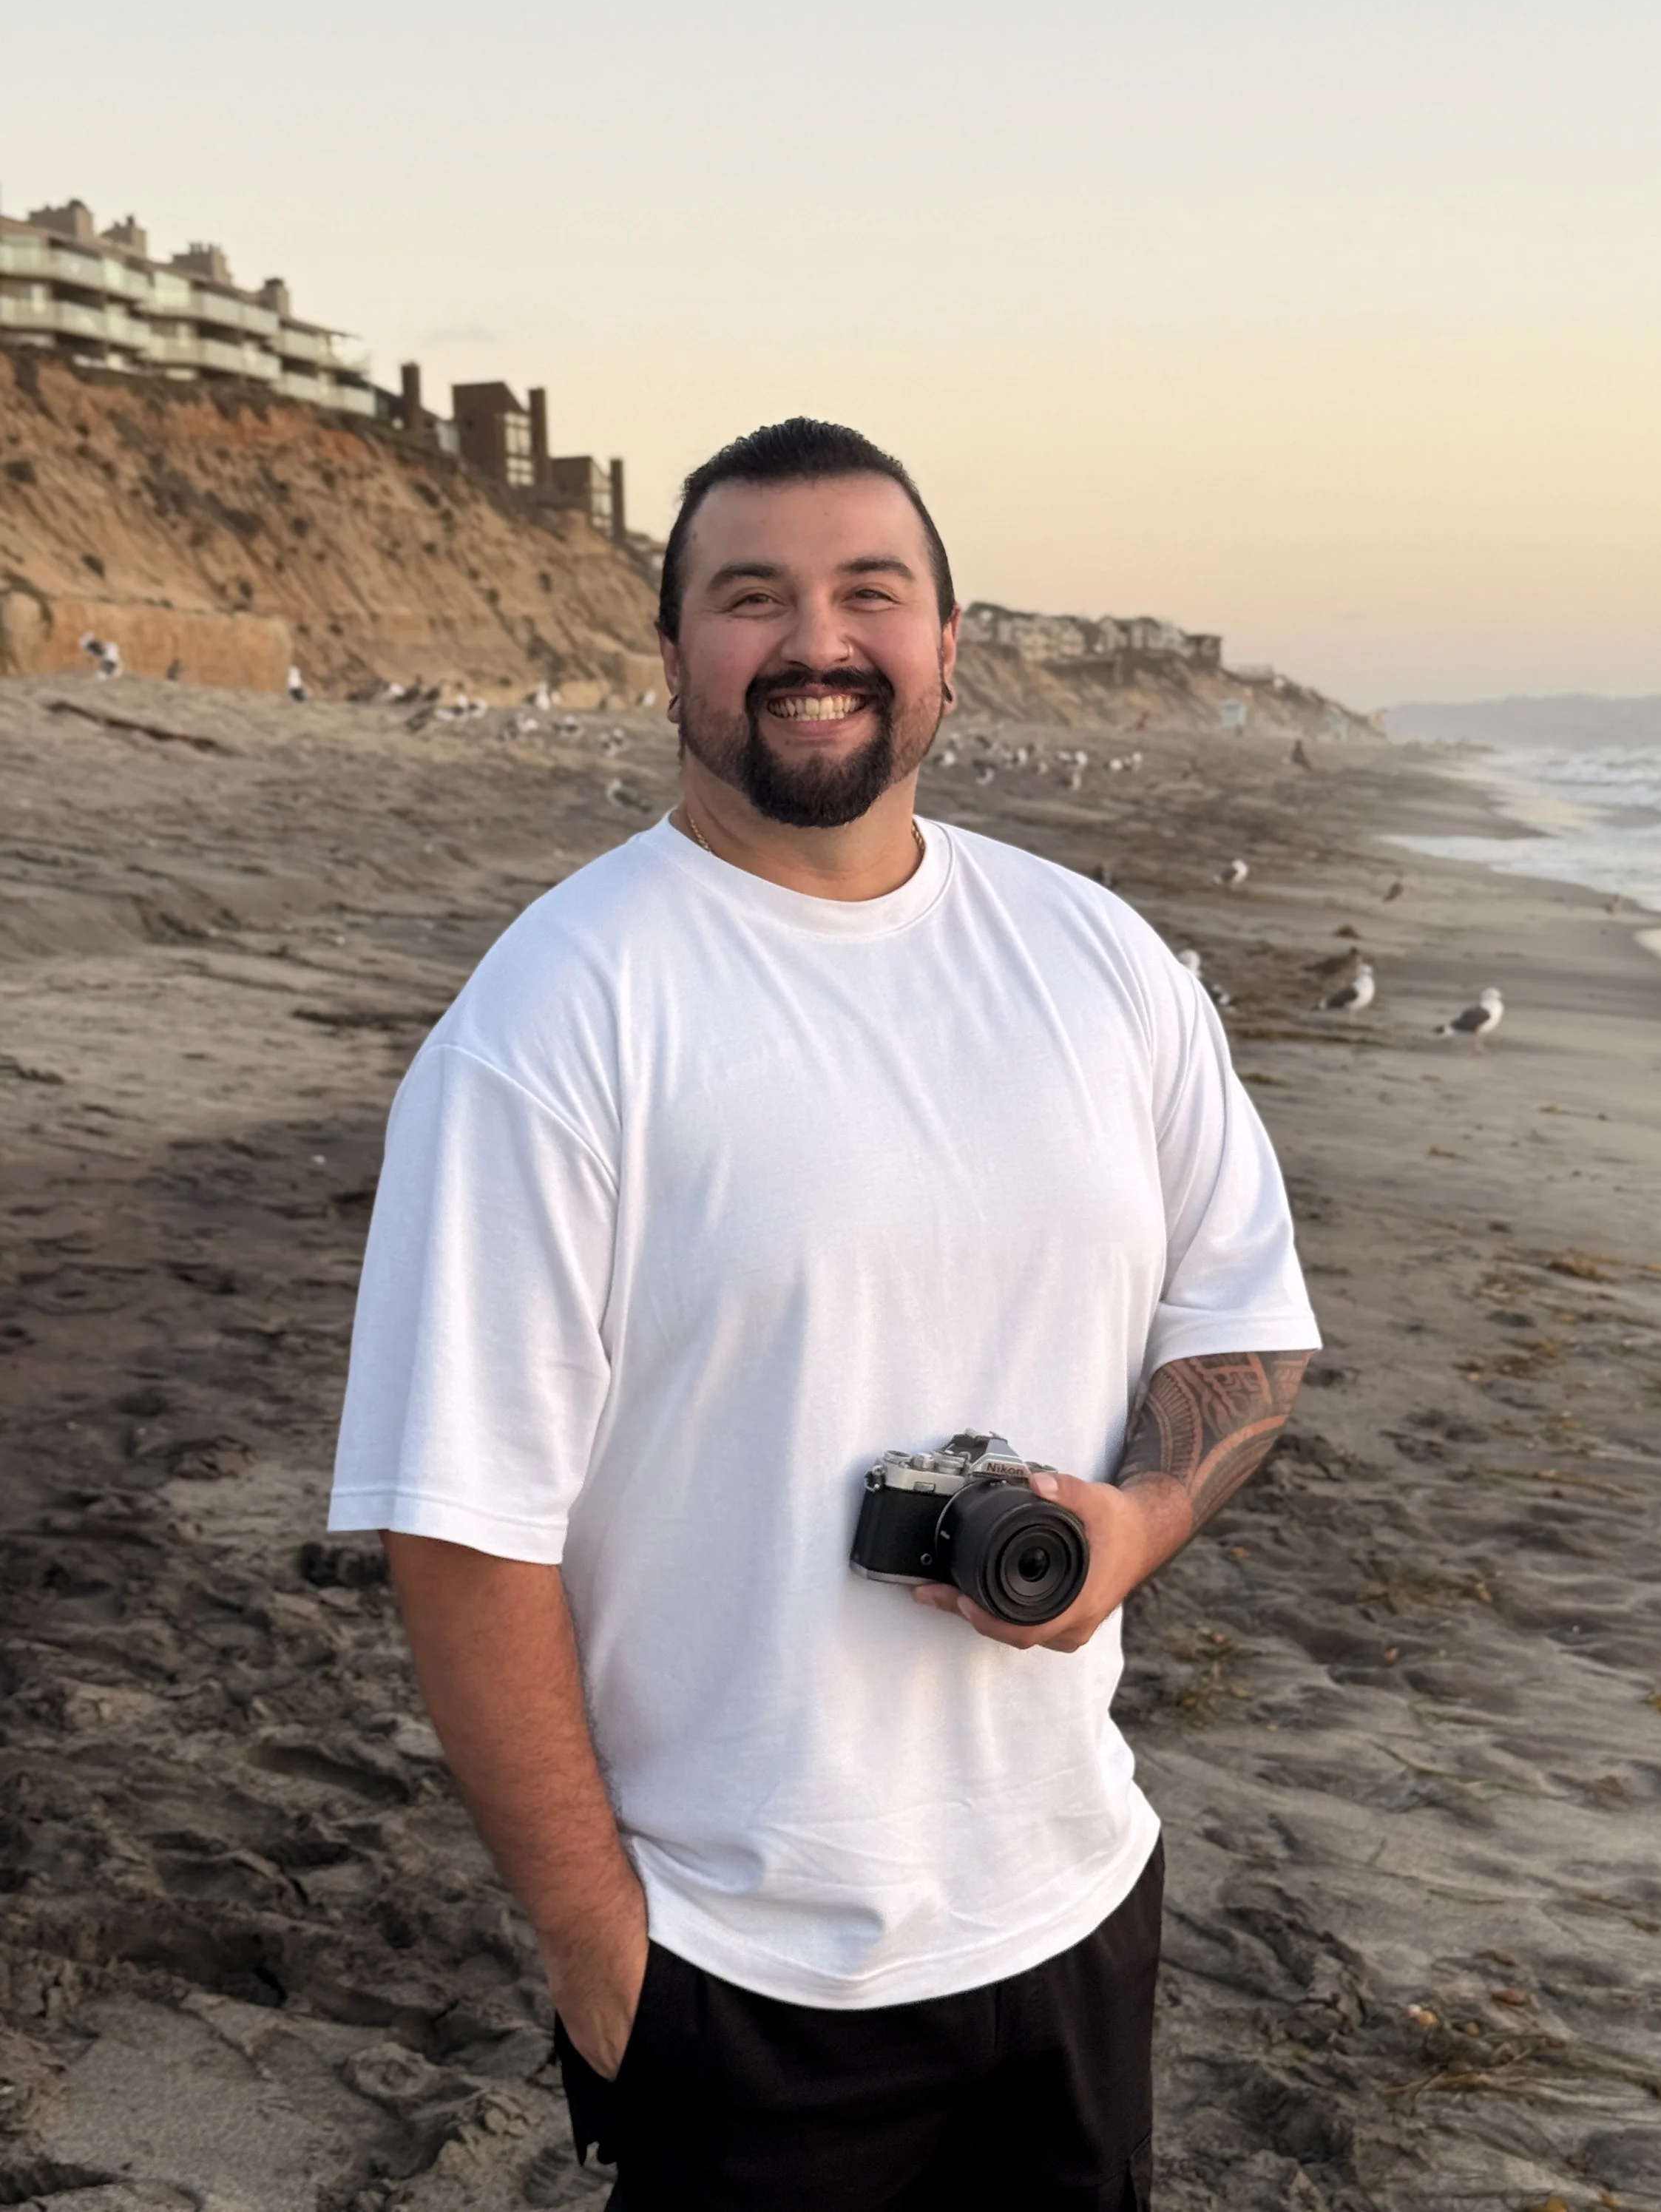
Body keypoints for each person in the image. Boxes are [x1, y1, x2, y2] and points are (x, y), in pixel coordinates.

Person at [329, 418, 1318, 2211]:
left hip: (1074, 1900)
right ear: (670, 657)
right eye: (749, 597)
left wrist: (1137, 1520)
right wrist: (602, 1955)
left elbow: (1241, 1320)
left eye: (872, 592)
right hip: (739, 1963)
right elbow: (458, 1525)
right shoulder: (560, 1016)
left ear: (947, 642)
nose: (816, 641)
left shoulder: (1098, 960)